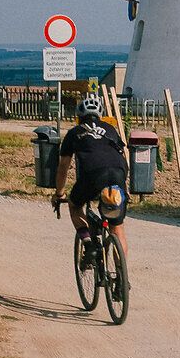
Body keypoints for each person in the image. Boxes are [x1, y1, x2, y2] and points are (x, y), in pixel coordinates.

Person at [52, 92, 130, 254]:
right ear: (99, 116)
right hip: (118, 173)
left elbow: (63, 167)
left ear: (79, 117)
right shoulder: (110, 130)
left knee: (74, 205)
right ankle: (122, 277)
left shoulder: (74, 132)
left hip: (92, 175)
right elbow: (123, 154)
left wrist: (59, 193)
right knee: (117, 227)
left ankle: (88, 244)